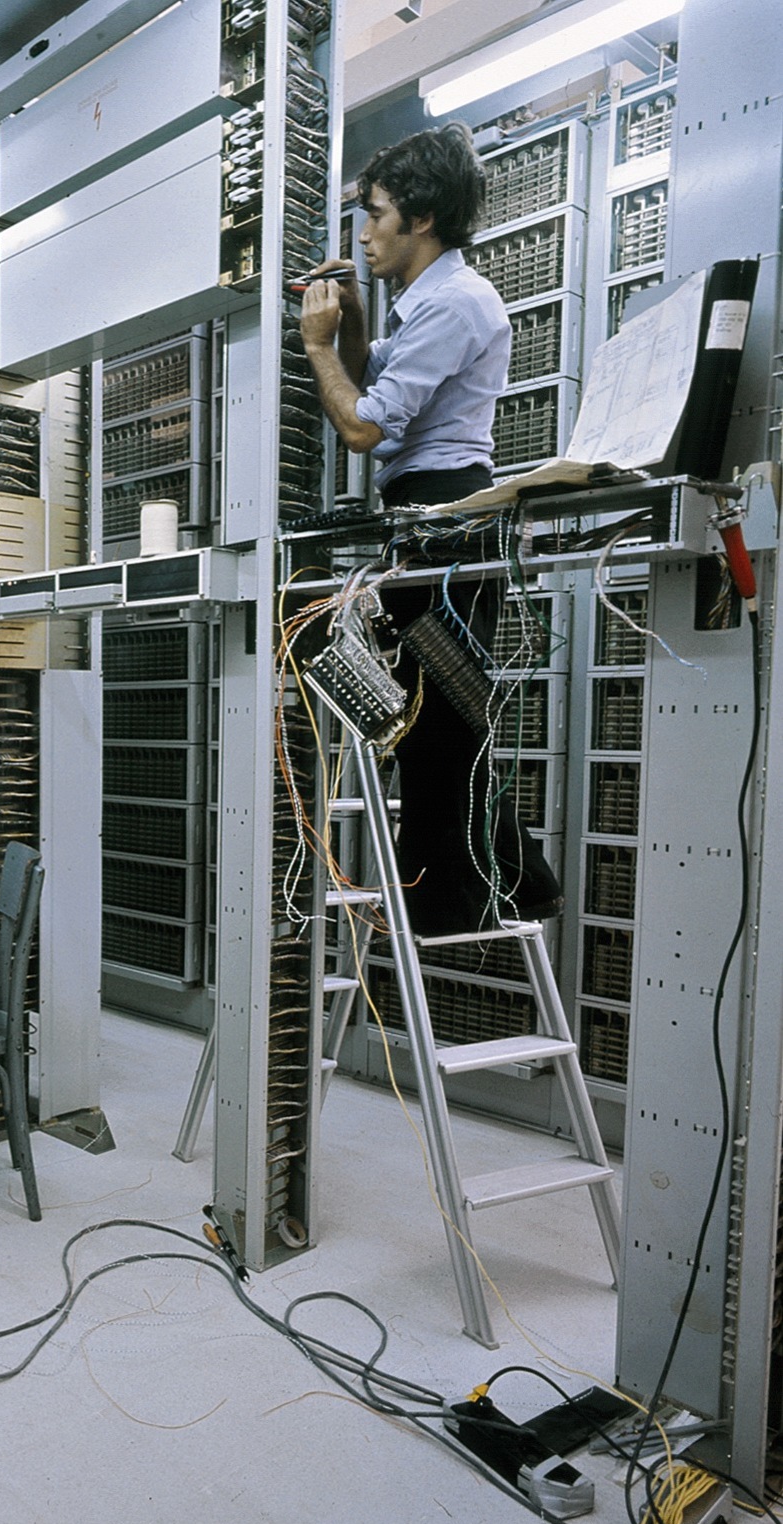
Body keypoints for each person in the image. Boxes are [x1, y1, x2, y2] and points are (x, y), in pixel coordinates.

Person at [298, 123, 562, 935]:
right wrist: (350, 326)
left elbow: (362, 426)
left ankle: (459, 894)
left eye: (375, 213)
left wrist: (315, 345)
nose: (363, 233)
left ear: (419, 217)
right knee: (439, 718)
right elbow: (372, 381)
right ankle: (497, 883)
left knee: (436, 722)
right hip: (428, 517)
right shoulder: (429, 304)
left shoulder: (452, 302)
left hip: (447, 516)